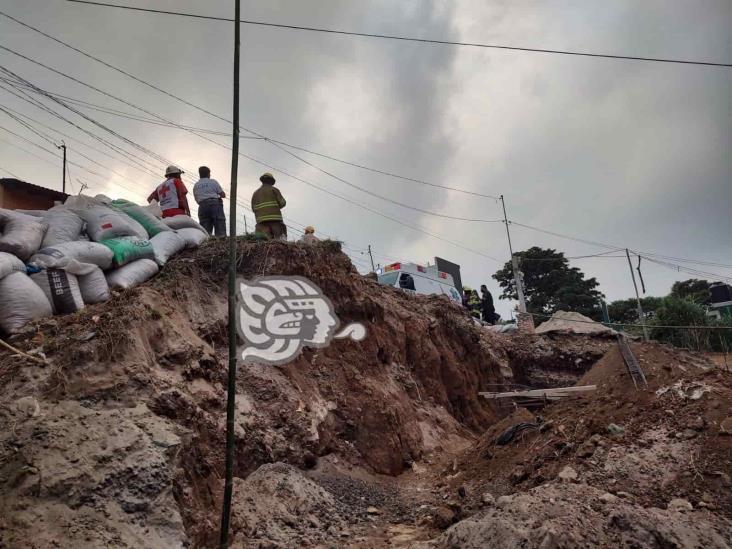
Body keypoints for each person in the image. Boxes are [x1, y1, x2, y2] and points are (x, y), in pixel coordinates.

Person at [192, 166, 227, 236]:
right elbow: (223, 195)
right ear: (208, 174)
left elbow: (197, 200)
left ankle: (207, 242)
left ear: (200, 174)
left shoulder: (196, 186)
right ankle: (221, 241)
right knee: (219, 224)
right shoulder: (213, 182)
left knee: (205, 229)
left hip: (202, 206)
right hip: (215, 204)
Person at [251, 172, 287, 240]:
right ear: (271, 181)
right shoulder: (274, 190)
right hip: (275, 220)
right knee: (279, 240)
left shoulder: (255, 193)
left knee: (263, 242)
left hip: (260, 221)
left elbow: (253, 208)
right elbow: (283, 203)